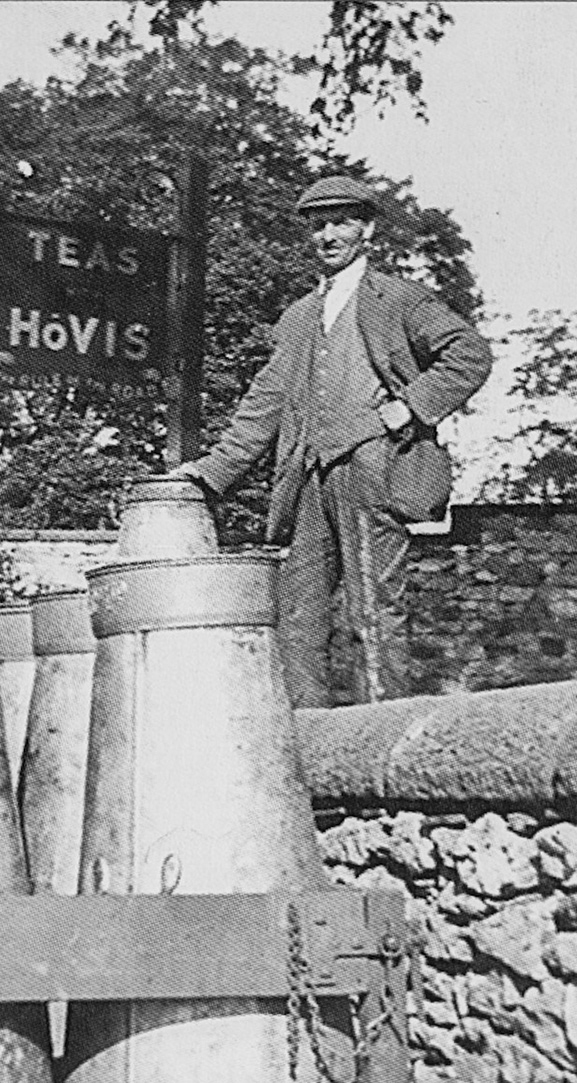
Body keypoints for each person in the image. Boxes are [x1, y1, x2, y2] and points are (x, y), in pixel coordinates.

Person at [176, 176, 493, 707]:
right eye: (318, 224)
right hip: (304, 477)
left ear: (366, 230)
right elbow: (266, 400)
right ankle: (311, 764)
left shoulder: (399, 299)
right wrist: (212, 470)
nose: (327, 234)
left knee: (373, 611)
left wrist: (411, 406)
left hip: (372, 470)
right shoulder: (298, 316)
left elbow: (470, 354)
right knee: (299, 620)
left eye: (341, 222)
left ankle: (383, 766)